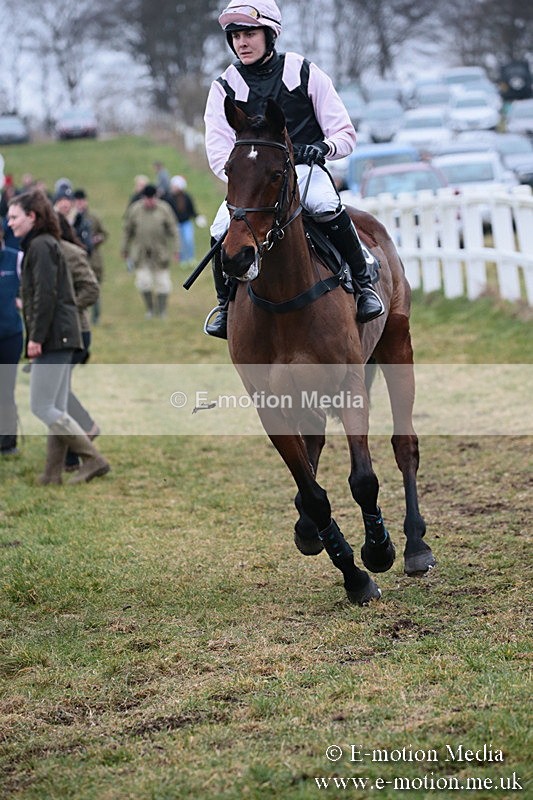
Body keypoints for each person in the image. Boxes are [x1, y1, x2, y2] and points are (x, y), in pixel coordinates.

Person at [203, 0, 384, 338]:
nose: (241, 43)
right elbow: (217, 150)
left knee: (324, 205)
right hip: (254, 183)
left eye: (249, 34)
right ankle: (225, 305)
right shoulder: (224, 86)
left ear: (270, 34)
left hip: (304, 170)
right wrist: (245, 177)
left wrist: (323, 148)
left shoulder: (303, 72)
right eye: (236, 36)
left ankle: (363, 286)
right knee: (219, 228)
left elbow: (344, 133)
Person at [7, 190, 110, 485]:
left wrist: (35, 338)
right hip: (63, 335)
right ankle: (51, 474)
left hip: (55, 337)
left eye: (14, 217)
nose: (9, 223)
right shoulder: (44, 243)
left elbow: (46, 295)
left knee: (41, 405)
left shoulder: (40, 246)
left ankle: (93, 459)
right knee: (57, 407)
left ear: (32, 217)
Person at [57, 213, 101, 472]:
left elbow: (91, 290)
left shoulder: (72, 253)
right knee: (57, 391)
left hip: (76, 332)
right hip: (61, 332)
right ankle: (71, 454)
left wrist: (67, 308)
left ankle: (84, 432)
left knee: (56, 391)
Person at [121, 184, 179, 319]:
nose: (150, 201)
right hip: (141, 254)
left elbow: (174, 230)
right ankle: (150, 309)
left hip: (160, 254)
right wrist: (124, 249)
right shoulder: (135, 209)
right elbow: (127, 230)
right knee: (143, 283)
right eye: (147, 198)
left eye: (152, 198)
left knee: (163, 284)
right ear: (143, 197)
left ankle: (162, 310)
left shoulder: (164, 209)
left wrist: (177, 250)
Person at [0, 224, 23, 456]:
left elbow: (32, 287)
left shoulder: (16, 259)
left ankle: (8, 441)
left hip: (9, 335)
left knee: (5, 388)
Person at [73, 189, 108, 323]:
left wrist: (98, 239)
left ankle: (96, 317)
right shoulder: (72, 219)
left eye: (82, 200)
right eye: (77, 201)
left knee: (95, 288)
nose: (80, 203)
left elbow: (104, 234)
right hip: (78, 259)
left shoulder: (93, 218)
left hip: (94, 258)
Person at [164, 175, 205, 267]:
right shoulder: (169, 198)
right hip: (175, 224)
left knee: (189, 240)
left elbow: (192, 210)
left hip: (186, 223)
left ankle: (191, 258)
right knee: (180, 243)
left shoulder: (186, 197)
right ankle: (182, 260)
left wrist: (197, 217)